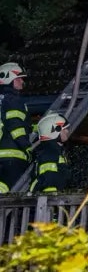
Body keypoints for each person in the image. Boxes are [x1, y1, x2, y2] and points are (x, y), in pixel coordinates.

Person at [0, 62, 32, 193]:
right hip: (13, 155)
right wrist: (26, 146)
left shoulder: (3, 100)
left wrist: (33, 128)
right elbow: (15, 125)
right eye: (18, 78)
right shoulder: (13, 100)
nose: (22, 81)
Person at [30, 112, 69, 193]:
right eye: (64, 129)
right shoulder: (49, 153)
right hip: (48, 201)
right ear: (54, 131)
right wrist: (53, 203)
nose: (67, 131)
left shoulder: (53, 151)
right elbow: (49, 181)